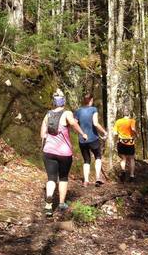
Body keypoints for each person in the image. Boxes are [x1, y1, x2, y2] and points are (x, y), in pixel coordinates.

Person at [41, 89, 87, 217]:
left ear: (54, 102)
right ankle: (61, 203)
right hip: (64, 153)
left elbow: (42, 134)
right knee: (63, 177)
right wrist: (83, 133)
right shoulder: (67, 113)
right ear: (64, 101)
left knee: (51, 178)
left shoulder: (48, 115)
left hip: (48, 151)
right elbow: (73, 123)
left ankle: (49, 202)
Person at [75, 94, 108, 187]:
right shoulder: (93, 109)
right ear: (91, 100)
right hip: (93, 138)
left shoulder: (78, 111)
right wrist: (104, 132)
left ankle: (86, 181)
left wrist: (81, 133)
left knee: (86, 160)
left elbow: (74, 124)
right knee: (98, 157)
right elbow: (96, 123)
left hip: (82, 140)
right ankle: (98, 177)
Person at [113, 108, 137, 181]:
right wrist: (136, 135)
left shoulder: (118, 121)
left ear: (122, 114)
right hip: (130, 142)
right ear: (129, 114)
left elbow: (115, 133)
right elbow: (133, 129)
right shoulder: (132, 121)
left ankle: (123, 171)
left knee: (123, 158)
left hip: (121, 142)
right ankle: (132, 175)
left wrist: (116, 140)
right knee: (131, 159)